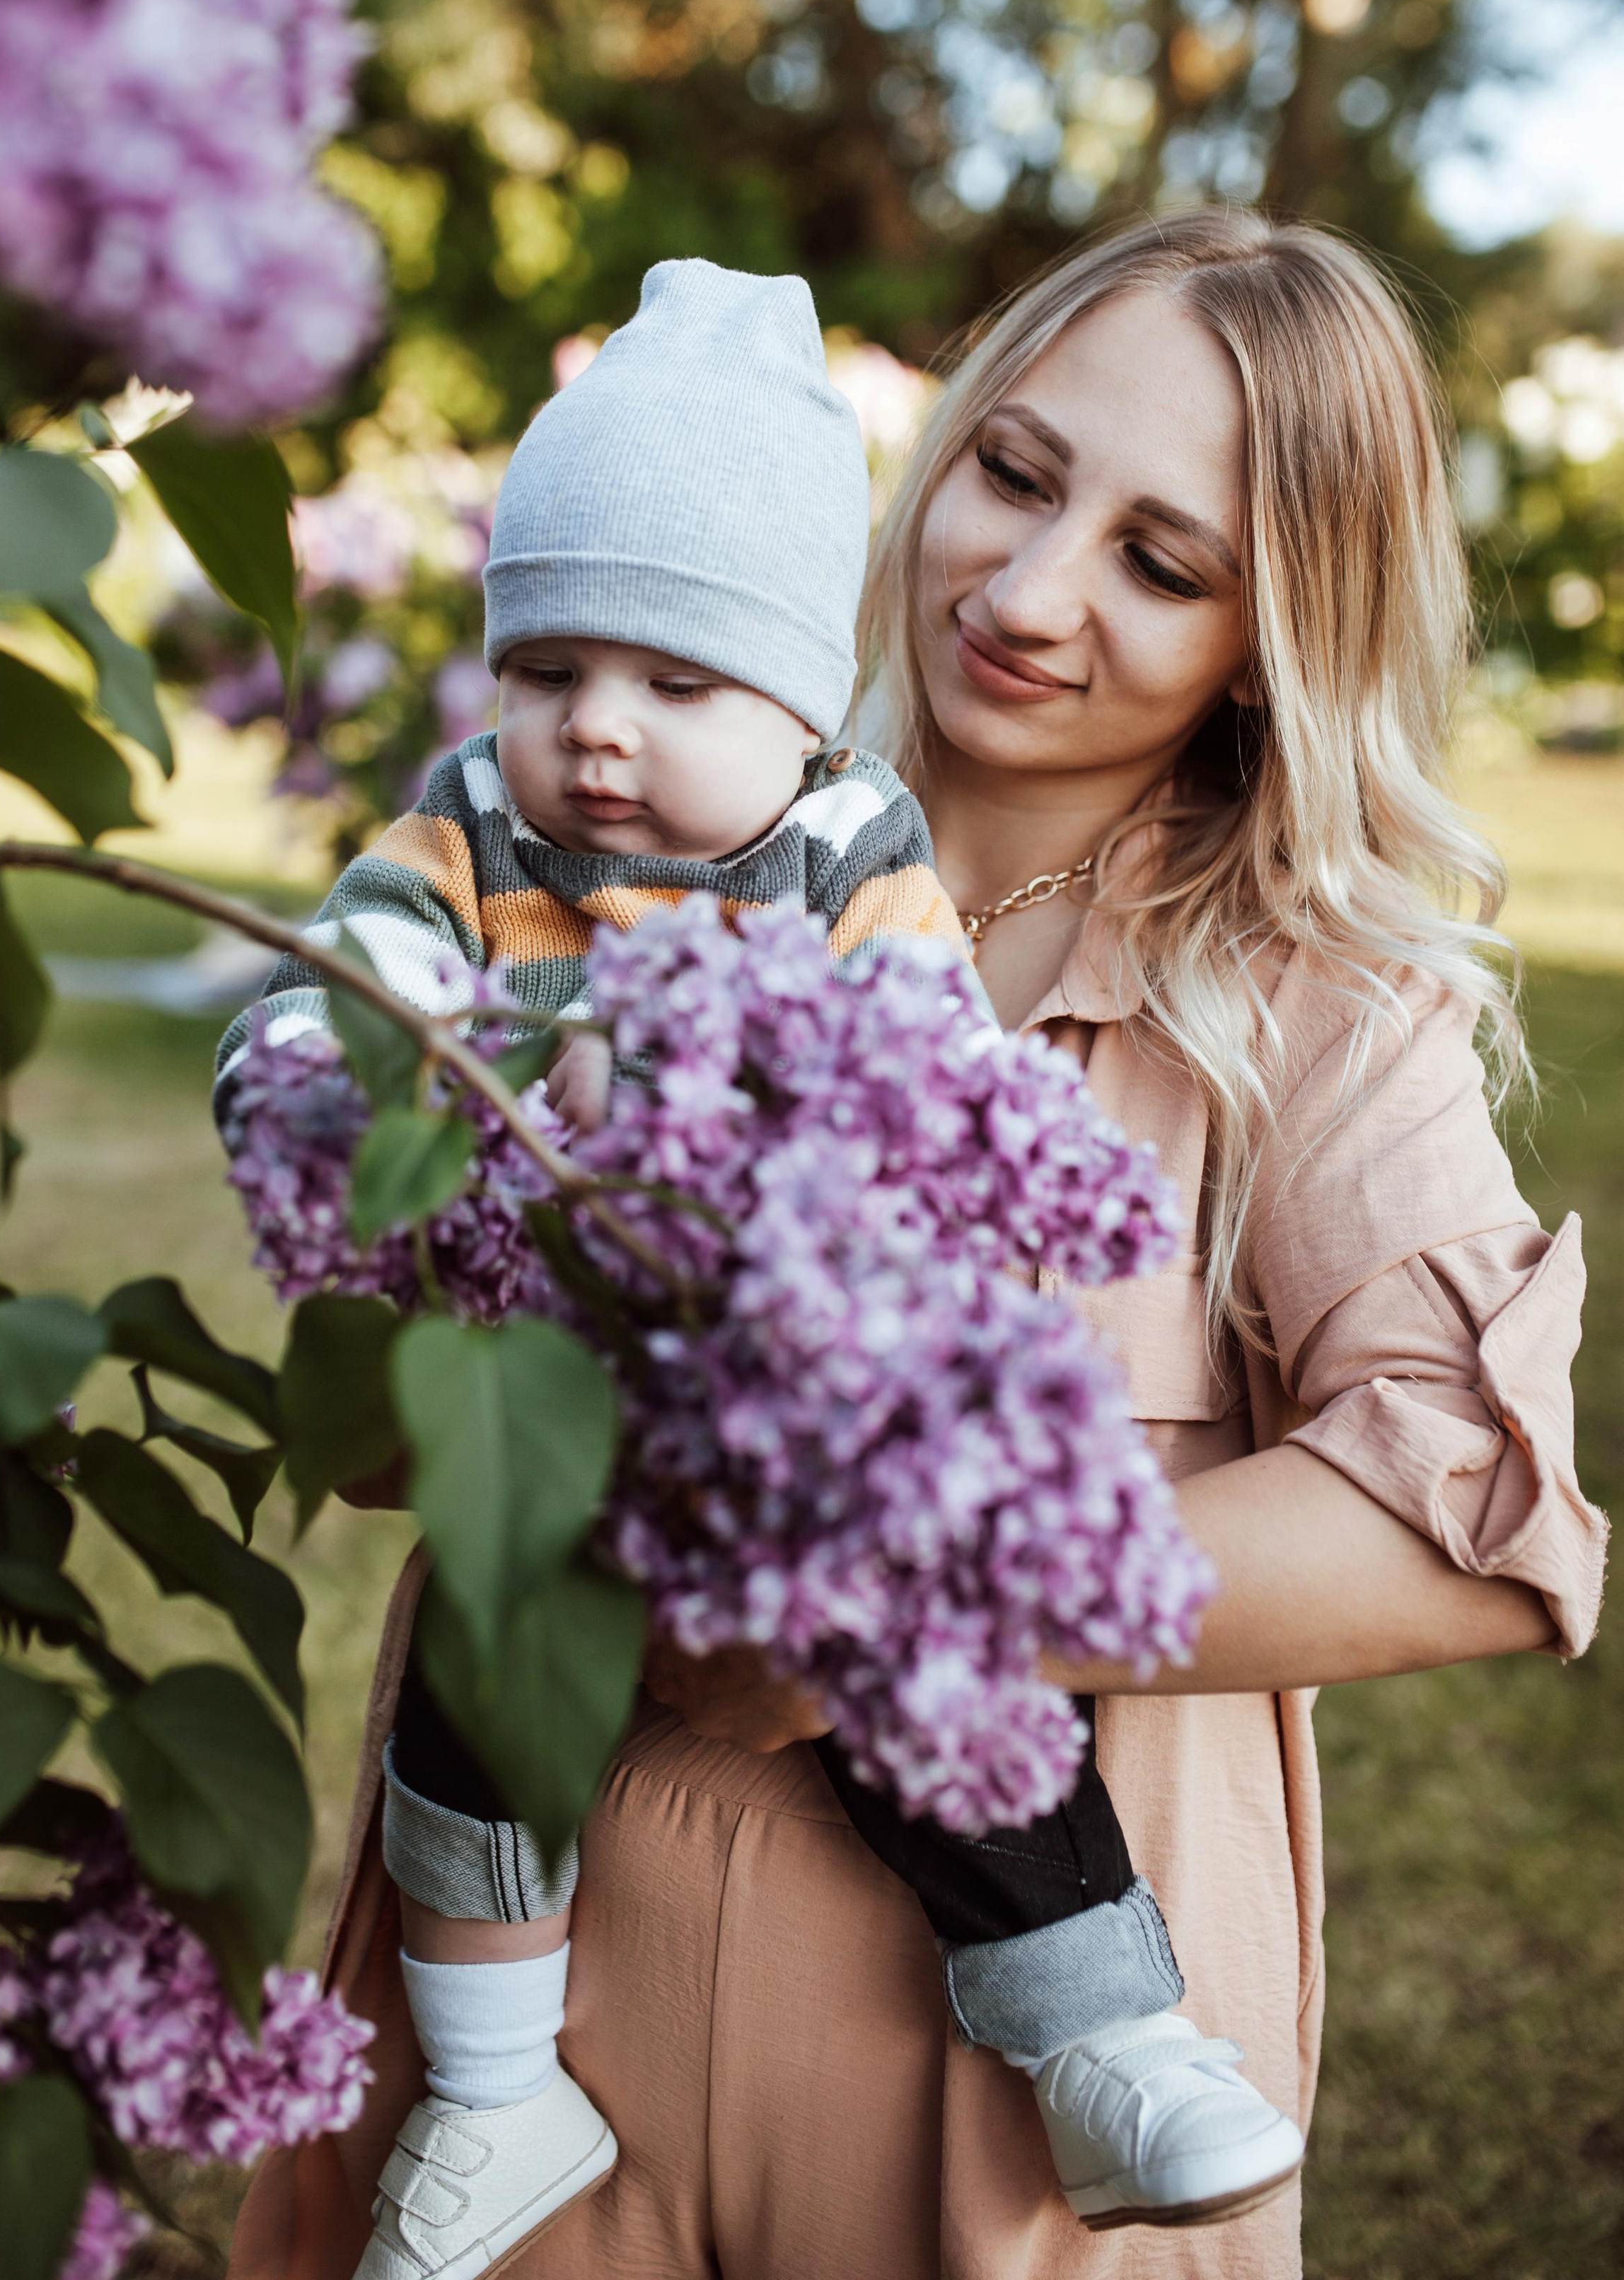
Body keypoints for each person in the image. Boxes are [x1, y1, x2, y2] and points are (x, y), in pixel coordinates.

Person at [230, 215, 1606, 2280]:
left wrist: (891, 1599)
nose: (1032, 592)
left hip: (1011, 2085)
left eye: (1164, 563)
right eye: (1020, 475)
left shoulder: (1308, 999)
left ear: (1276, 630)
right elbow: (376, 1430)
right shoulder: (609, 830)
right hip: (533, 2014)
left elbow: (1474, 1539)